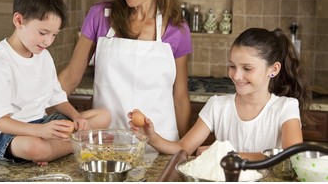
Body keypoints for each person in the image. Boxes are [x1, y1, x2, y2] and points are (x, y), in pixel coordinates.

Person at [58, 0, 192, 141]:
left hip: (159, 145)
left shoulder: (177, 29)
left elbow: (180, 98)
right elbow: (70, 78)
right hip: (106, 143)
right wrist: (32, 114)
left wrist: (182, 151)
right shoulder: (100, 16)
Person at [0, 0, 110, 166]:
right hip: (6, 134)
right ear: (19, 21)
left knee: (103, 116)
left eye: (54, 35)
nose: (48, 41)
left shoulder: (42, 55)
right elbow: (2, 123)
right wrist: (40, 131)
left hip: (40, 123)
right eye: (43, 32)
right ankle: (83, 143)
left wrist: (77, 118)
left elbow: (56, 97)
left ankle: (62, 145)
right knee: (34, 147)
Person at [129, 27, 311, 160]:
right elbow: (182, 148)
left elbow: (291, 157)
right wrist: (152, 137)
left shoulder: (285, 108)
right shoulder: (217, 106)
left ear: (273, 69)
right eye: (232, 66)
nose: (237, 76)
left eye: (247, 68)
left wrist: (226, 155)